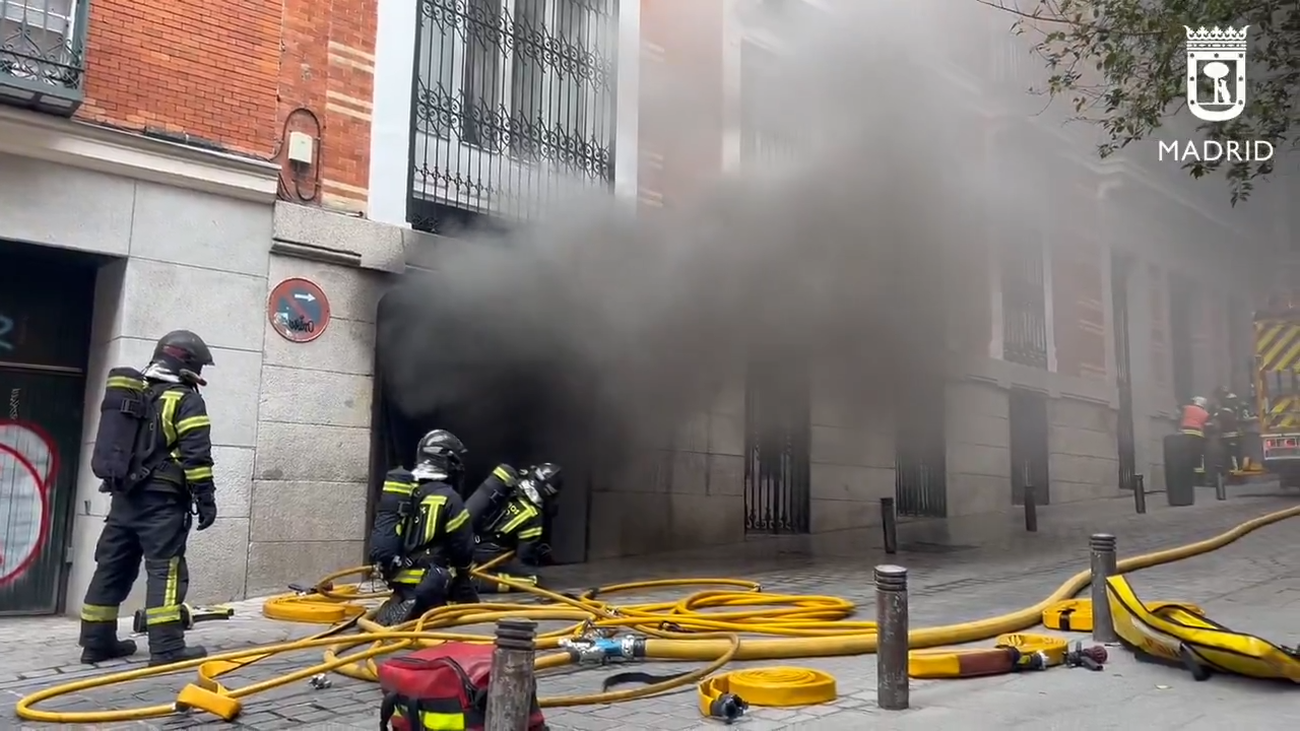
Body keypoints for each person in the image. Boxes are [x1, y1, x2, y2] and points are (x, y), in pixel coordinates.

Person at [78, 330, 218, 666]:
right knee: (165, 570)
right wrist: (206, 499)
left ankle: (97, 642)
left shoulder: (134, 395)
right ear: (188, 363)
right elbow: (196, 457)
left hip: (123, 499)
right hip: (162, 503)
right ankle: (167, 647)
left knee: (111, 566)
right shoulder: (184, 399)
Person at [370, 429, 479, 626]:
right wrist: (463, 575)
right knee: (454, 580)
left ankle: (403, 599)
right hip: (428, 580)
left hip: (396, 576)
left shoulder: (403, 491)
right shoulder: (449, 498)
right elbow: (463, 548)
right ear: (445, 460)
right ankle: (419, 604)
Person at [469, 463, 562, 594]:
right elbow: (524, 555)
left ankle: (474, 570)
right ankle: (478, 581)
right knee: (532, 578)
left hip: (467, 540)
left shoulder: (511, 484)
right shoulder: (534, 514)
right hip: (488, 552)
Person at [1180, 395, 1212, 480]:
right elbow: (1207, 425)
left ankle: (1184, 475)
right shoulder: (1205, 413)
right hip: (1198, 434)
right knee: (1197, 455)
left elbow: (1179, 412)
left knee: (1185, 454)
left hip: (1185, 433)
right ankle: (1198, 477)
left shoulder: (1187, 408)